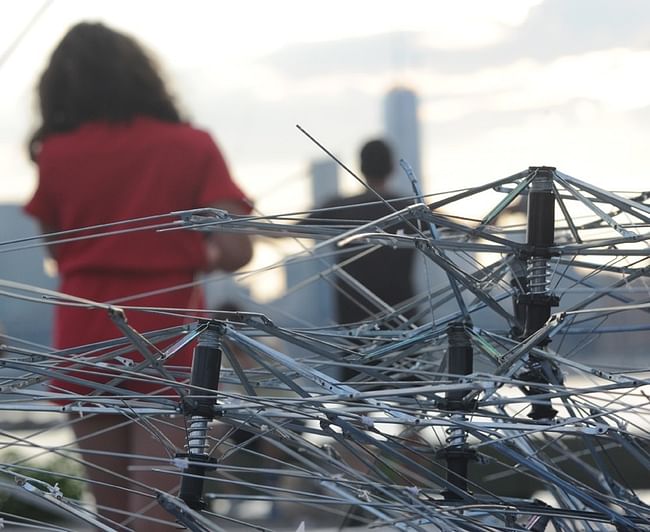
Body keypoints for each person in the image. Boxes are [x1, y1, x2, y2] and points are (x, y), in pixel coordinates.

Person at [24, 21, 253, 530]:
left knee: (110, 514)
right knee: (160, 509)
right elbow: (238, 247)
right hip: (166, 332)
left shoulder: (55, 153)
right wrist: (192, 250)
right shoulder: (191, 145)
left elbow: (56, 251)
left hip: (83, 333)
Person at [301, 139, 417, 380]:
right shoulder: (409, 209)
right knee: (413, 400)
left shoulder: (338, 208)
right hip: (404, 319)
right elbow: (468, 231)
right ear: (392, 168)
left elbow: (280, 232)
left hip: (354, 322)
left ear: (360, 167)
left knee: (357, 400)